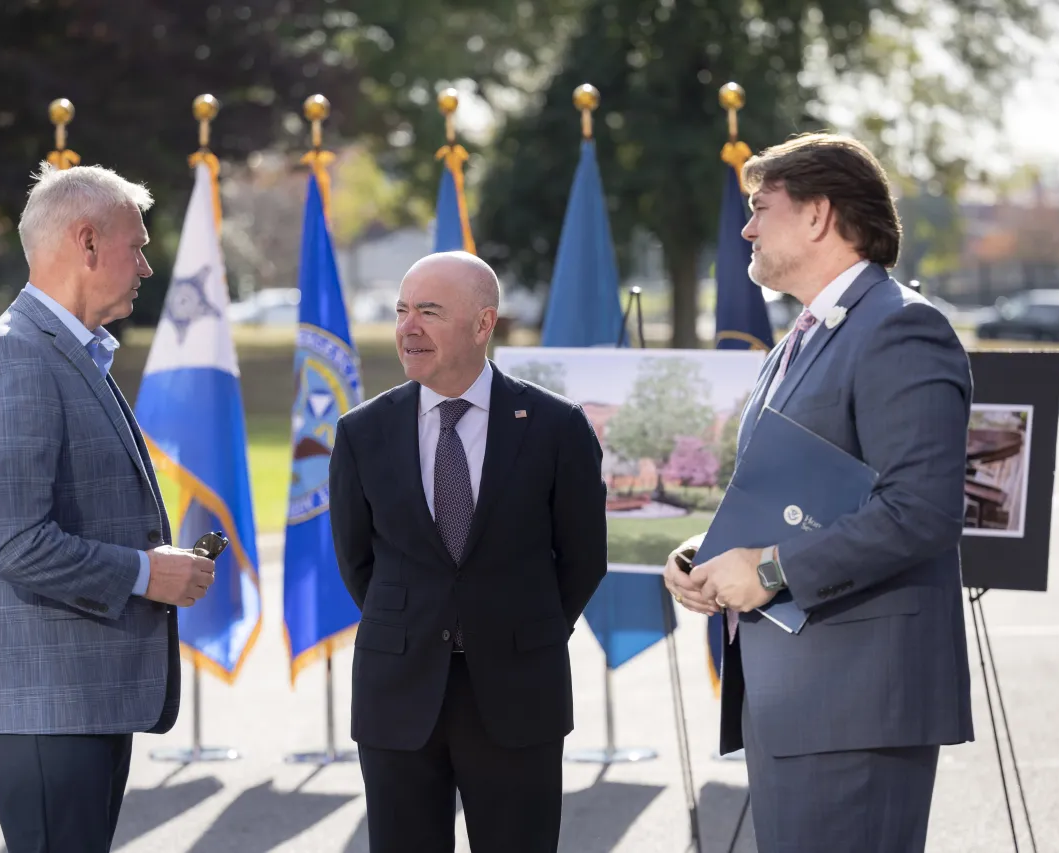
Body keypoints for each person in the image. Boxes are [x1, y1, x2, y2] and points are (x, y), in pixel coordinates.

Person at [664, 133, 975, 852]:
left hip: (856, 703)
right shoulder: (800, 337)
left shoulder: (900, 326)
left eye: (759, 207)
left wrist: (768, 568)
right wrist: (710, 554)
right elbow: (795, 491)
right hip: (795, 699)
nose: (745, 228)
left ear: (817, 215)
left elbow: (921, 511)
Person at [0, 162, 216, 853]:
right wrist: (143, 572)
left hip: (77, 704)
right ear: (87, 243)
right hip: (46, 708)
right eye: (138, 244)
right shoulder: (16, 359)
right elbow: (15, 544)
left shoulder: (67, 354)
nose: (148, 266)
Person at [328, 251, 608, 852]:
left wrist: (522, 631)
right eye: (402, 311)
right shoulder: (362, 432)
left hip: (516, 693)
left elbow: (583, 558)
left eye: (429, 311)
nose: (408, 326)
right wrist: (416, 622)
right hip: (398, 693)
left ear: (485, 324)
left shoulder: (556, 427)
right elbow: (358, 563)